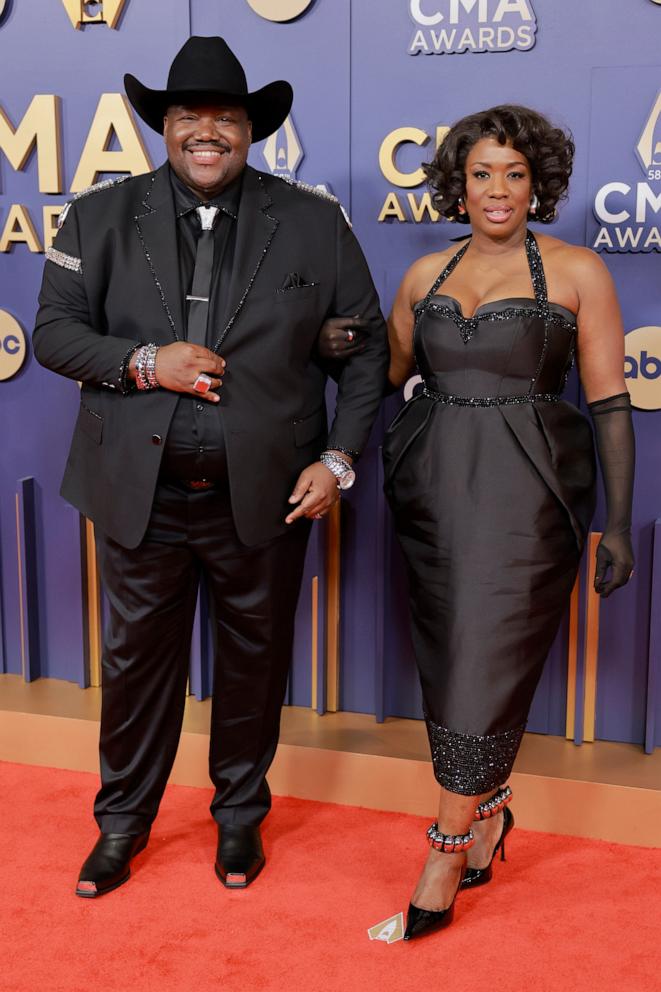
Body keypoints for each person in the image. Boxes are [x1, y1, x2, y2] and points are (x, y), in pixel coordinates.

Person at [33, 35, 388, 898]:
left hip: (265, 497)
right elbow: (52, 334)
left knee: (253, 666)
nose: (206, 131)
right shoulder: (98, 217)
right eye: (188, 114)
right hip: (138, 497)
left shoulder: (312, 221)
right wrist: (149, 362)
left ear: (249, 130)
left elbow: (367, 350)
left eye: (224, 117)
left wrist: (337, 461)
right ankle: (122, 826)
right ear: (163, 125)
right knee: (135, 669)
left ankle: (238, 821)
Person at [322, 104, 634, 941]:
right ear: (456, 185)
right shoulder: (423, 276)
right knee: (451, 656)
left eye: (514, 174)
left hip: (530, 498)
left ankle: (445, 847)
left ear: (538, 184)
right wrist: (332, 342)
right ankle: (490, 813)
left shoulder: (576, 272)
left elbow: (607, 403)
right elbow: (386, 372)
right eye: (481, 175)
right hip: (430, 493)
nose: (497, 191)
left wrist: (621, 522)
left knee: (485, 660)